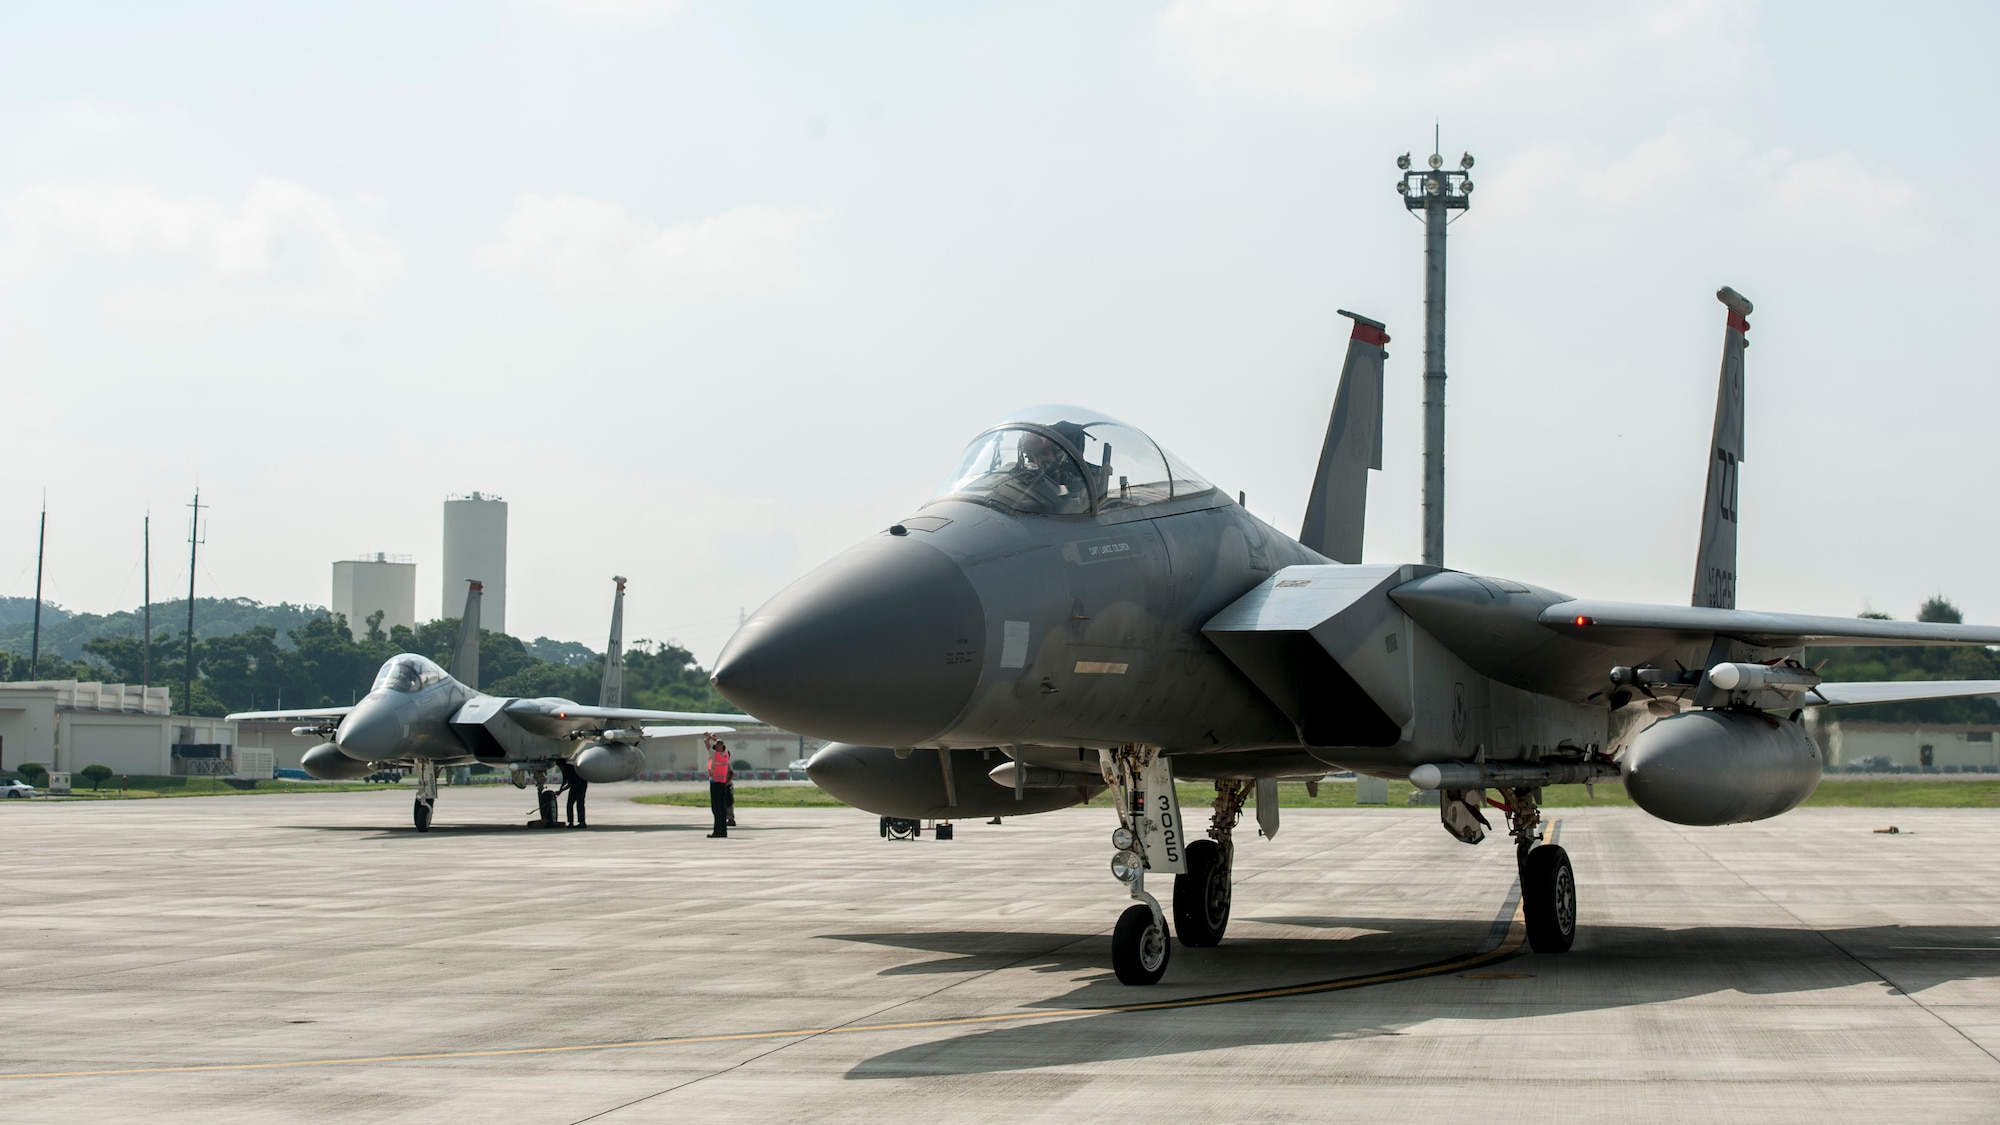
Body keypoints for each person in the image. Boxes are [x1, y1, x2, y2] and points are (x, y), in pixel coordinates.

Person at [704, 734, 733, 838]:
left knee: (716, 809)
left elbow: (706, 743)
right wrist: (714, 738)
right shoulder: (725, 755)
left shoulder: (714, 755)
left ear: (715, 747)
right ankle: (723, 832)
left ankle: (717, 831)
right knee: (722, 809)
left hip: (715, 783)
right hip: (723, 784)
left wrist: (708, 736)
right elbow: (720, 743)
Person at [557, 757, 588, 828]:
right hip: (574, 786)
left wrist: (560, 791)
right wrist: (560, 790)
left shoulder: (571, 769)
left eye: (559, 766)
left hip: (581, 785)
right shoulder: (564, 770)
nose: (559, 768)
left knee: (580, 804)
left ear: (562, 765)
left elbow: (569, 784)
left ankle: (582, 822)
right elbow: (564, 781)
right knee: (569, 804)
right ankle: (570, 822)